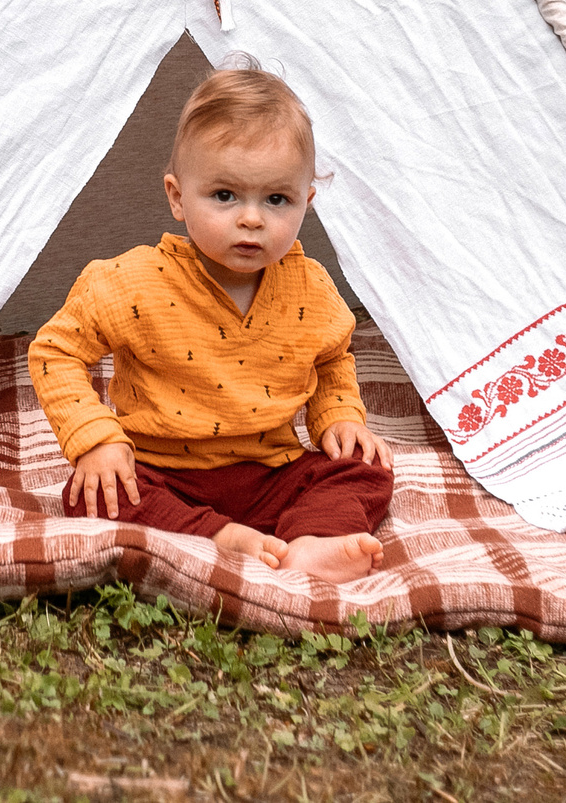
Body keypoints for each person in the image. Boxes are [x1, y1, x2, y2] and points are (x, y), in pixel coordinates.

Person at [29, 60, 394, 584]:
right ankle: (224, 539)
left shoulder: (310, 288)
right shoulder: (134, 282)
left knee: (367, 469)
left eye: (277, 199)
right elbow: (55, 352)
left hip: (272, 474)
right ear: (178, 197)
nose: (251, 218)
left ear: (306, 203)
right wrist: (97, 439)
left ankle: (311, 541)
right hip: (162, 473)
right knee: (90, 493)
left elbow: (332, 358)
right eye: (225, 195)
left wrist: (340, 419)